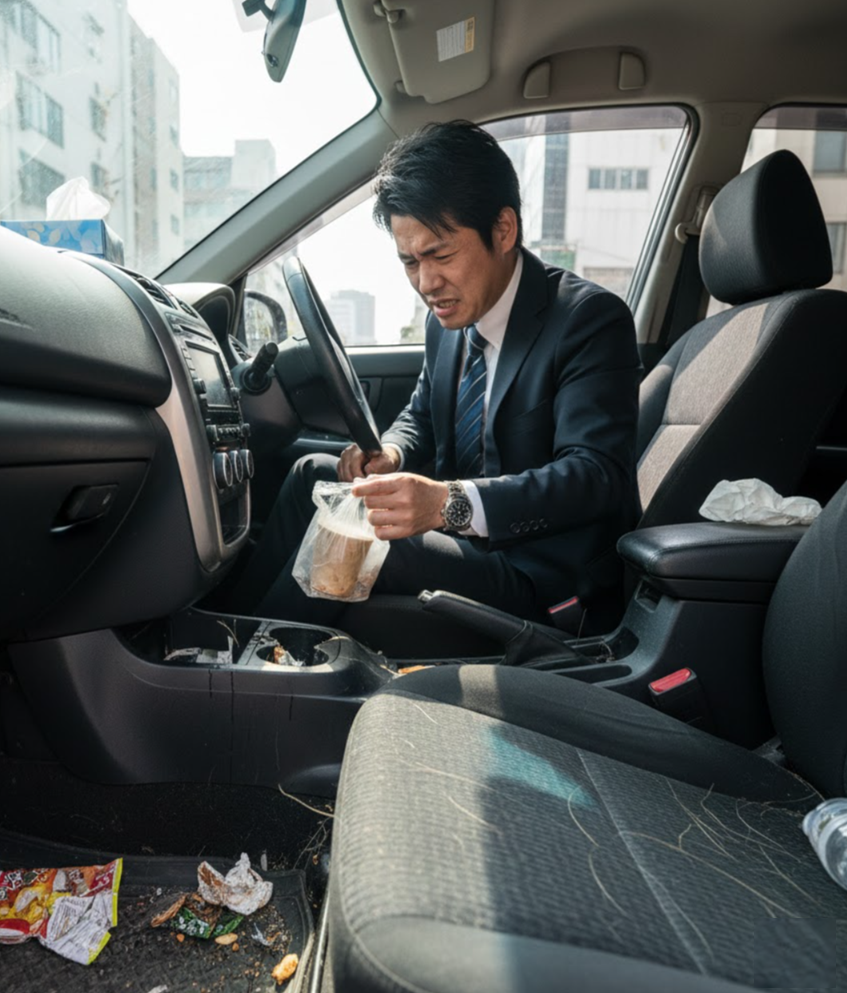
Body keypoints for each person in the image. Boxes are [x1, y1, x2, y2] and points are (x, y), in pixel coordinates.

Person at [232, 120, 641, 634]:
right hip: (470, 545)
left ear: (503, 230)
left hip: (541, 576)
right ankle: (232, 633)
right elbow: (421, 414)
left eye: (440, 255)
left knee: (360, 533)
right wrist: (392, 453)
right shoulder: (445, 324)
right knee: (311, 478)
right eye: (409, 262)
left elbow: (596, 477)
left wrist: (446, 505)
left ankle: (257, 666)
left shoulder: (587, 320)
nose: (427, 284)